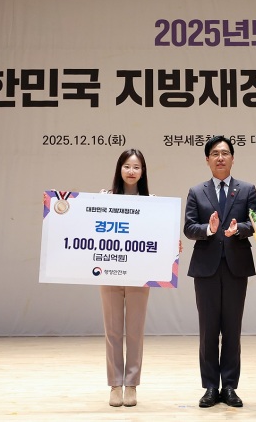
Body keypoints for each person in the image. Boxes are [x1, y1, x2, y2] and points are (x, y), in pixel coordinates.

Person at [183, 136, 256, 408]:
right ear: (207, 159)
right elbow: (189, 228)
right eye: (215, 153)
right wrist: (209, 229)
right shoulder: (196, 191)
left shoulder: (247, 189)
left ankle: (229, 387)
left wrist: (238, 229)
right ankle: (210, 387)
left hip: (236, 267)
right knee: (208, 330)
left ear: (233, 158)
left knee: (232, 329)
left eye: (225, 153)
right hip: (206, 268)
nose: (220, 157)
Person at [99, 148, 154, 407]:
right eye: (127, 166)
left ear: (143, 172)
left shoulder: (152, 203)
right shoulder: (105, 198)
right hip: (110, 271)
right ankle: (114, 384)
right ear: (119, 169)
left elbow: (158, 237)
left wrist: (170, 246)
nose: (131, 171)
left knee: (134, 330)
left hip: (139, 275)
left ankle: (131, 384)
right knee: (112, 330)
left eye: (136, 167)